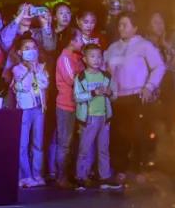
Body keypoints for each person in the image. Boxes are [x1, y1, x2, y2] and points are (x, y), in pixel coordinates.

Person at [105, 13, 166, 176]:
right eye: (120, 25)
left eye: (125, 25)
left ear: (135, 28)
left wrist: (149, 87)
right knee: (119, 136)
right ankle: (121, 170)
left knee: (139, 134)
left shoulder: (144, 45)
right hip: (118, 98)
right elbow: (104, 68)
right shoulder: (113, 48)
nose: (121, 28)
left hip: (138, 96)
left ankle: (140, 170)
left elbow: (159, 67)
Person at [74, 44, 121, 190]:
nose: (96, 59)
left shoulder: (106, 76)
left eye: (99, 56)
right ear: (85, 59)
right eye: (92, 56)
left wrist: (109, 93)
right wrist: (93, 93)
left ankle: (105, 177)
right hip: (89, 118)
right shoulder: (81, 77)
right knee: (85, 149)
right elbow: (77, 97)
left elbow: (115, 95)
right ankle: (81, 177)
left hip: (104, 118)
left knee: (103, 149)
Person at [12, 38, 48, 187]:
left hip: (39, 108)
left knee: (38, 143)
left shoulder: (42, 67)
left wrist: (37, 71)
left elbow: (44, 83)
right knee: (23, 143)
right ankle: (25, 176)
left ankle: (37, 174)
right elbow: (22, 87)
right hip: (25, 110)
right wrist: (29, 71)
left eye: (33, 47)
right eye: (27, 48)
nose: (31, 51)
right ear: (20, 52)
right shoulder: (17, 69)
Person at [53, 29, 85, 187]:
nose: (83, 42)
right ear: (72, 40)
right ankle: (61, 177)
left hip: (78, 105)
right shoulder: (64, 57)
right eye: (80, 39)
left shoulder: (78, 57)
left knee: (74, 143)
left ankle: (72, 174)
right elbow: (73, 80)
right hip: (66, 106)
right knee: (64, 143)